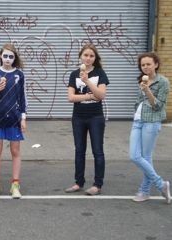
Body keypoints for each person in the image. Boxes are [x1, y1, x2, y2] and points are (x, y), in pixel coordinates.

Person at [66, 44, 109, 195]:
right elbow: (71, 97)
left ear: (95, 58)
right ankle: (79, 182)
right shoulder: (74, 74)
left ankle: (97, 184)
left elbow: (102, 95)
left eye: (91, 56)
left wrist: (88, 81)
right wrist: (91, 96)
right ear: (81, 56)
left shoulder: (100, 73)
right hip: (78, 117)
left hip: (95, 117)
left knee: (98, 151)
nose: (88, 58)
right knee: (79, 151)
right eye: (86, 55)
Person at [129, 52, 171, 203]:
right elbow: (139, 100)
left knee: (145, 157)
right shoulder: (141, 80)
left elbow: (158, 106)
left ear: (156, 65)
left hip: (151, 122)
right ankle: (161, 183)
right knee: (134, 155)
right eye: (142, 65)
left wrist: (147, 90)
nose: (145, 67)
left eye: (148, 64)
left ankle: (144, 191)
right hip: (138, 121)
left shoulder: (163, 82)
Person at [0, 43, 27, 199]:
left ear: (14, 58)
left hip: (14, 119)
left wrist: (23, 117)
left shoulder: (20, 74)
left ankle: (15, 185)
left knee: (15, 151)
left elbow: (23, 98)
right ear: (0, 56)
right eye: (5, 56)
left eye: (11, 56)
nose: (8, 59)